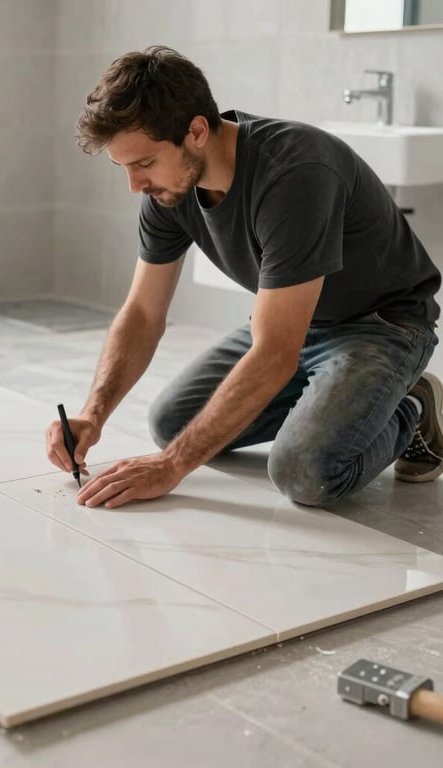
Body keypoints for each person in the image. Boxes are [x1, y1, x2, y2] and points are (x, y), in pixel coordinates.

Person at [45, 45, 442, 510]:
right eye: (124, 167)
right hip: (296, 323)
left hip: (382, 325)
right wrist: (93, 415)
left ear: (195, 131)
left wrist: (172, 466)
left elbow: (274, 352)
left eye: (145, 164)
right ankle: (337, 400)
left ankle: (412, 405)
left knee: (303, 472)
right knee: (173, 422)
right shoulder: (169, 191)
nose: (135, 185)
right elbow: (143, 311)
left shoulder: (295, 172)